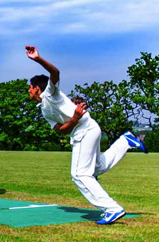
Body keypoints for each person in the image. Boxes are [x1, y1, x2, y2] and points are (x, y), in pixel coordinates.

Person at [25, 45, 148, 225]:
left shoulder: (51, 93)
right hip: (83, 129)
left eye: (29, 87)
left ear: (37, 88)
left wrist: (38, 59)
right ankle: (125, 141)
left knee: (79, 174)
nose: (28, 90)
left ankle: (112, 209)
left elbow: (55, 72)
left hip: (85, 130)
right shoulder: (43, 110)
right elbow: (61, 130)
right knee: (95, 168)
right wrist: (73, 119)